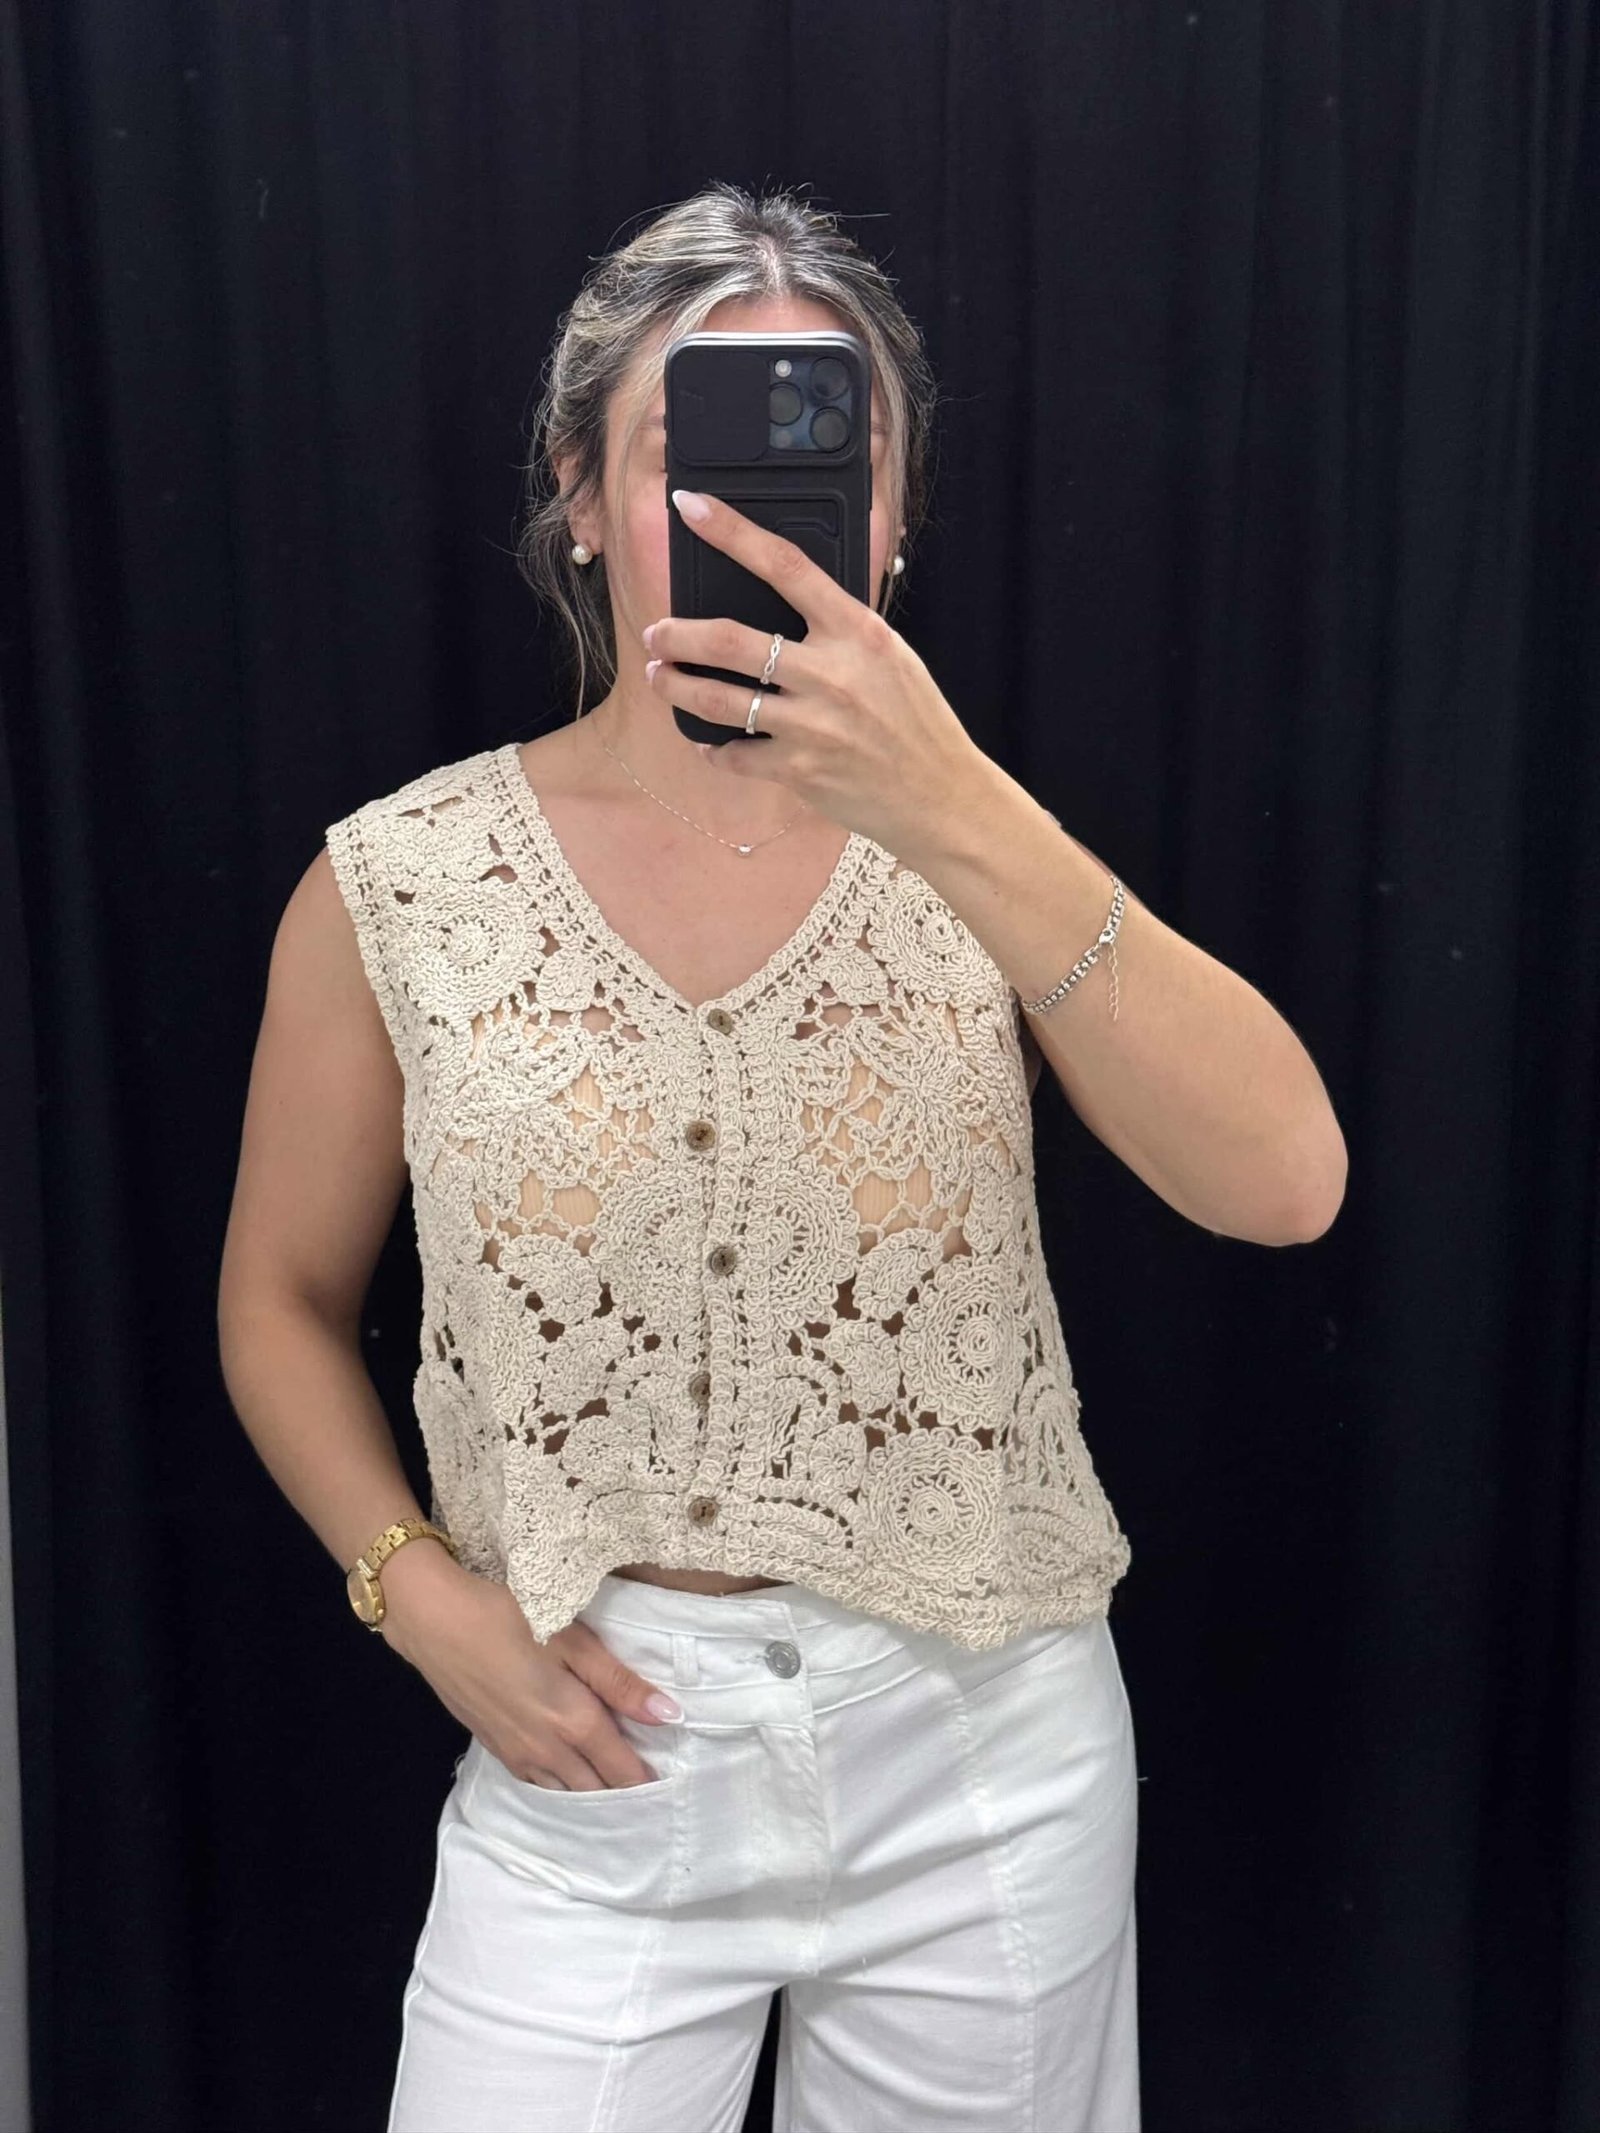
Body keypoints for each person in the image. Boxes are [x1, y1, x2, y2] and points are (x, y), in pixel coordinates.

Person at [219, 181, 1342, 2133]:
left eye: (823, 446)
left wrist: (952, 806)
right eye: (687, 447)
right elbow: (278, 1298)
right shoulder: (398, 883)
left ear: (888, 518)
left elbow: (1284, 1179)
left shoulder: (989, 851)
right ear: (582, 493)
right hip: (589, 1751)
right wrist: (418, 1593)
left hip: (983, 1749)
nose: (746, 509)